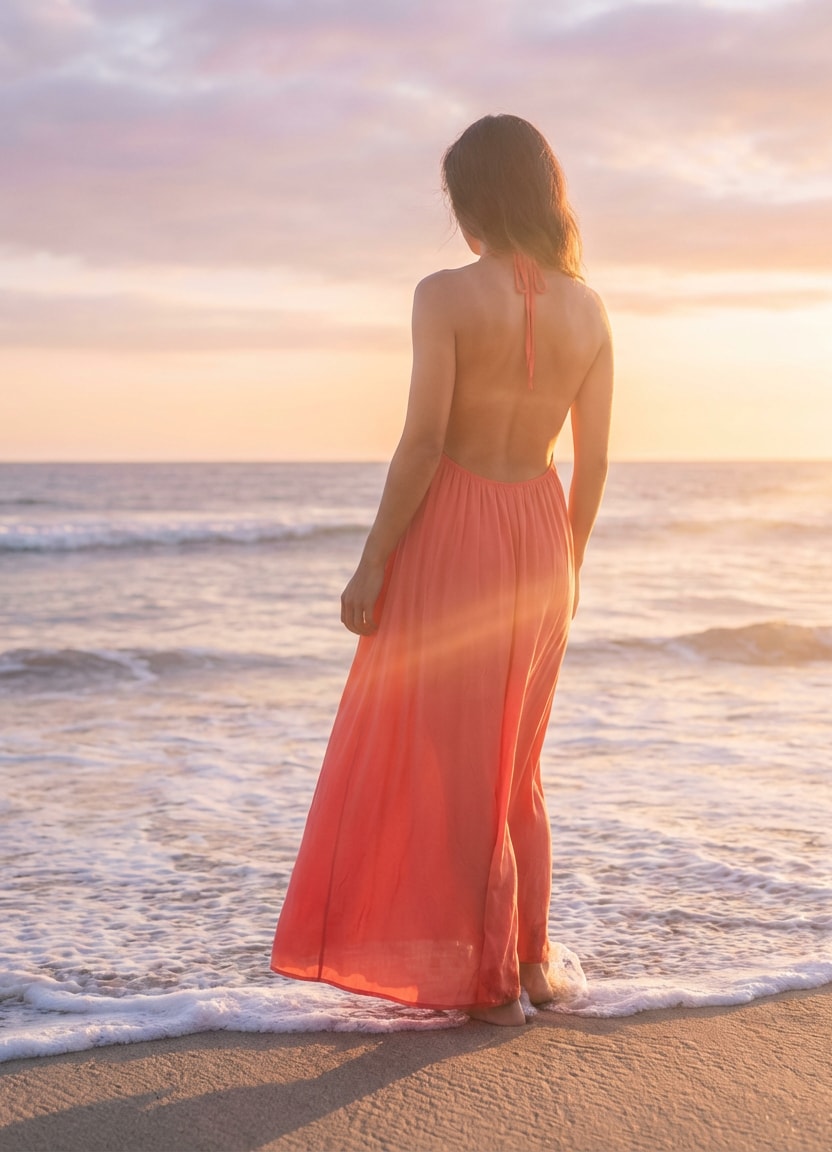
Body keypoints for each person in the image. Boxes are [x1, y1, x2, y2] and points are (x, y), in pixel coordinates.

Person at [271, 113, 613, 1026]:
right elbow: (596, 464)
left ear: (471, 201)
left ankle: (483, 978)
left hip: (456, 528)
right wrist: (566, 570)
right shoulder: (589, 308)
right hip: (544, 540)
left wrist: (370, 562)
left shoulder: (444, 295)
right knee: (519, 769)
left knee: (450, 763)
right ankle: (531, 962)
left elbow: (423, 444)